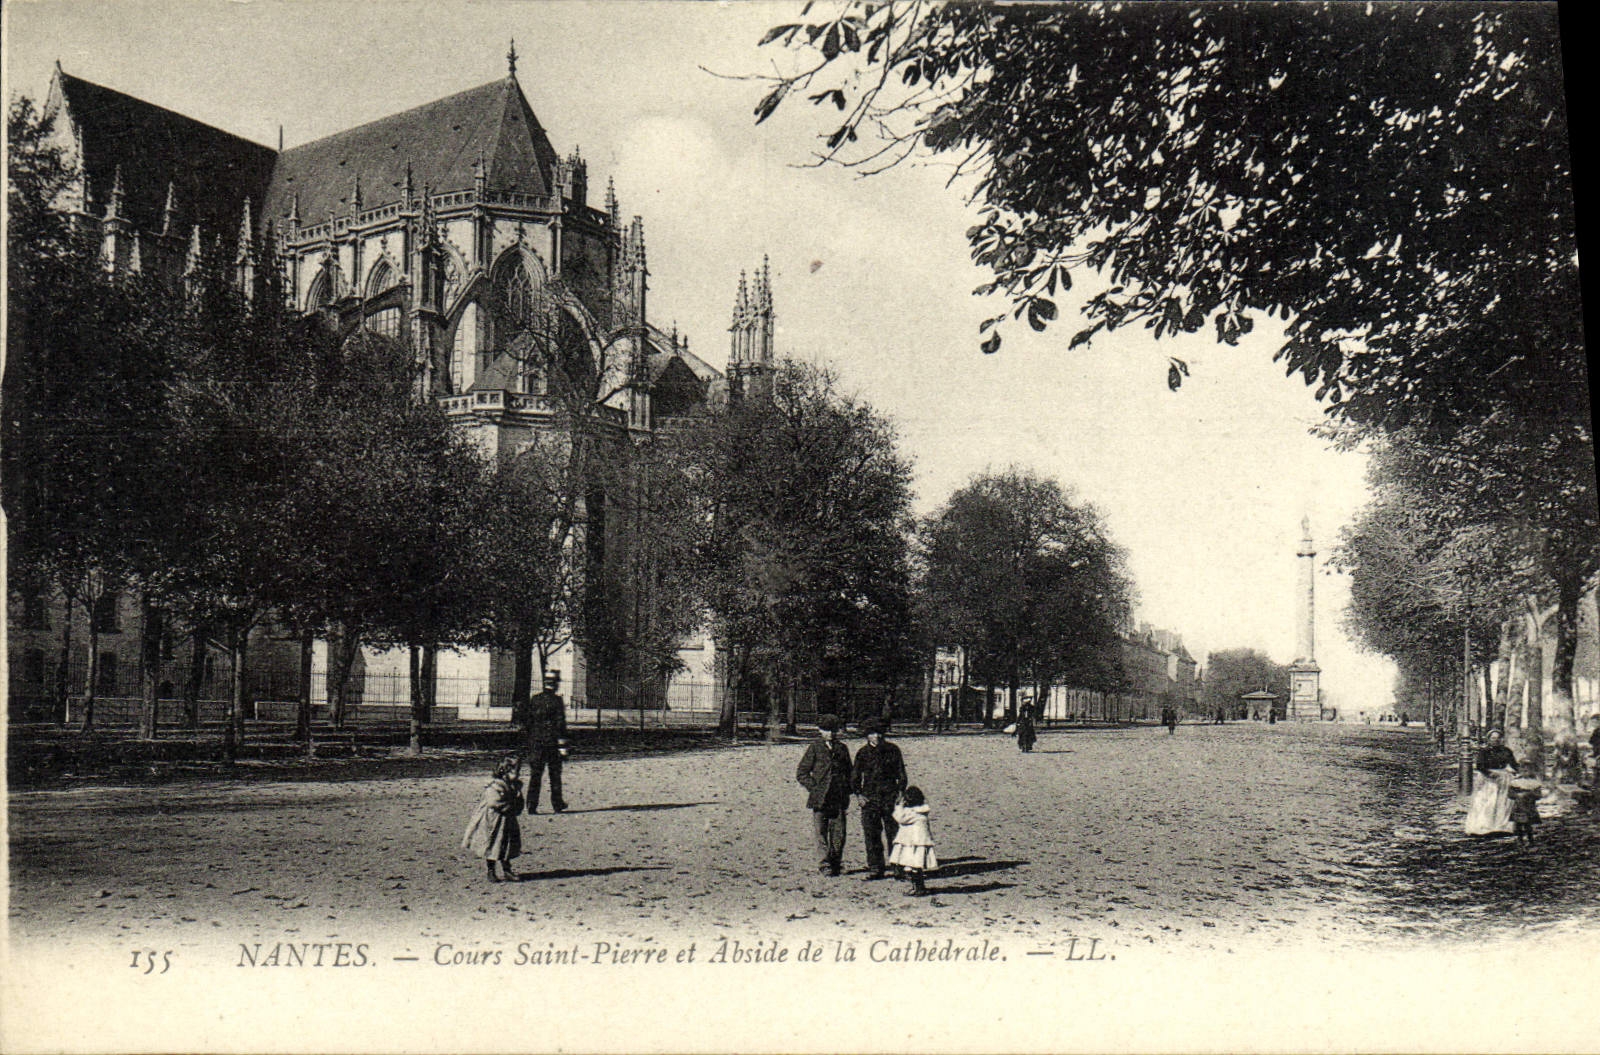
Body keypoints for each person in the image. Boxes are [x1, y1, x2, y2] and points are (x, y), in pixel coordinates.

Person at [852, 717, 908, 880]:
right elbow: (855, 776)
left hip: (890, 798)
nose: (876, 736)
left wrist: (901, 792)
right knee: (872, 835)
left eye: (879, 733)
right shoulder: (862, 753)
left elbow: (901, 774)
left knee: (894, 834)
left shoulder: (893, 750)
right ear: (867, 735)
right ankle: (875, 868)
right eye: (872, 733)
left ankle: (898, 867)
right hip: (870, 799)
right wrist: (859, 794)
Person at [796, 714, 852, 876]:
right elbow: (802, 772)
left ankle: (836, 862)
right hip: (820, 797)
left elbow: (849, 772)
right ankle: (824, 863)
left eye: (833, 730)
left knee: (839, 832)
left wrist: (847, 789)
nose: (830, 734)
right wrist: (814, 787)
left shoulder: (842, 748)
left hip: (838, 796)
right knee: (821, 831)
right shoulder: (815, 748)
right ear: (820, 730)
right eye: (827, 730)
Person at [461, 755, 524, 882]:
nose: (517, 775)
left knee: (506, 844)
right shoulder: (494, 786)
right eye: (514, 771)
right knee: (493, 844)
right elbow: (493, 802)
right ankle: (491, 871)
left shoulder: (514, 786)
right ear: (504, 772)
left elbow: (519, 802)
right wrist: (509, 806)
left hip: (508, 820)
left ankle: (507, 870)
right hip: (494, 820)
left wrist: (518, 801)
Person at [517, 670, 570, 814]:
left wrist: (529, 740)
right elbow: (560, 725)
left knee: (535, 774)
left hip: (536, 742)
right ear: (556, 684)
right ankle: (557, 804)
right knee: (555, 775)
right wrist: (564, 748)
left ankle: (531, 805)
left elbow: (528, 722)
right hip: (552, 742)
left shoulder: (535, 699)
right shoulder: (557, 701)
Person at [1464, 728, 1518, 836]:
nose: (1495, 740)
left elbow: (1514, 764)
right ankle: (1484, 826)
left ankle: (1501, 826)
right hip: (1487, 779)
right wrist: (1490, 773)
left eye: (1498, 738)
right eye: (1493, 738)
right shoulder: (1484, 752)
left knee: (1502, 802)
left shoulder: (1506, 751)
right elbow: (1480, 766)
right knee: (1487, 802)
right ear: (1489, 739)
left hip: (1502, 779)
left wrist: (1517, 771)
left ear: (1501, 739)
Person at [889, 786, 938, 897]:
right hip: (917, 843)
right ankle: (918, 888)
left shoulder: (912, 813)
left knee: (913, 867)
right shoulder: (922, 811)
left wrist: (899, 806)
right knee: (915, 867)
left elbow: (899, 818)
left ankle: (918, 888)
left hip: (912, 844)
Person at [1508, 767, 1544, 847]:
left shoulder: (1534, 783)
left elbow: (1539, 795)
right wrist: (1518, 795)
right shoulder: (1515, 782)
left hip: (1529, 805)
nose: (1525, 773)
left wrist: (1529, 794)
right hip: (1519, 806)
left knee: (1528, 824)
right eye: (1523, 771)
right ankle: (1520, 839)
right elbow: (1510, 794)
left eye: (1527, 770)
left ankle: (1531, 840)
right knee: (1518, 824)